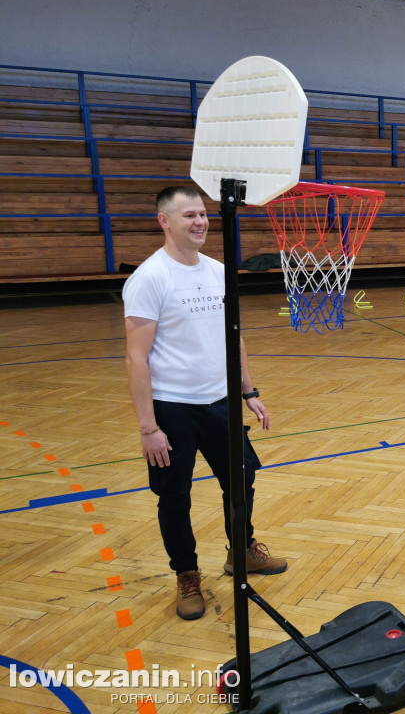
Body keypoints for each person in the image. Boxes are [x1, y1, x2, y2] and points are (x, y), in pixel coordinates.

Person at [123, 186, 286, 622]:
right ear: (165, 221)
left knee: (243, 477)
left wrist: (249, 392)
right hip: (172, 410)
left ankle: (242, 551)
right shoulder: (149, 278)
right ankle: (187, 575)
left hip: (222, 403)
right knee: (174, 496)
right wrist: (148, 427)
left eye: (202, 214)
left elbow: (233, 337)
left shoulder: (217, 271)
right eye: (188, 215)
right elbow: (136, 357)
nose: (199, 222)